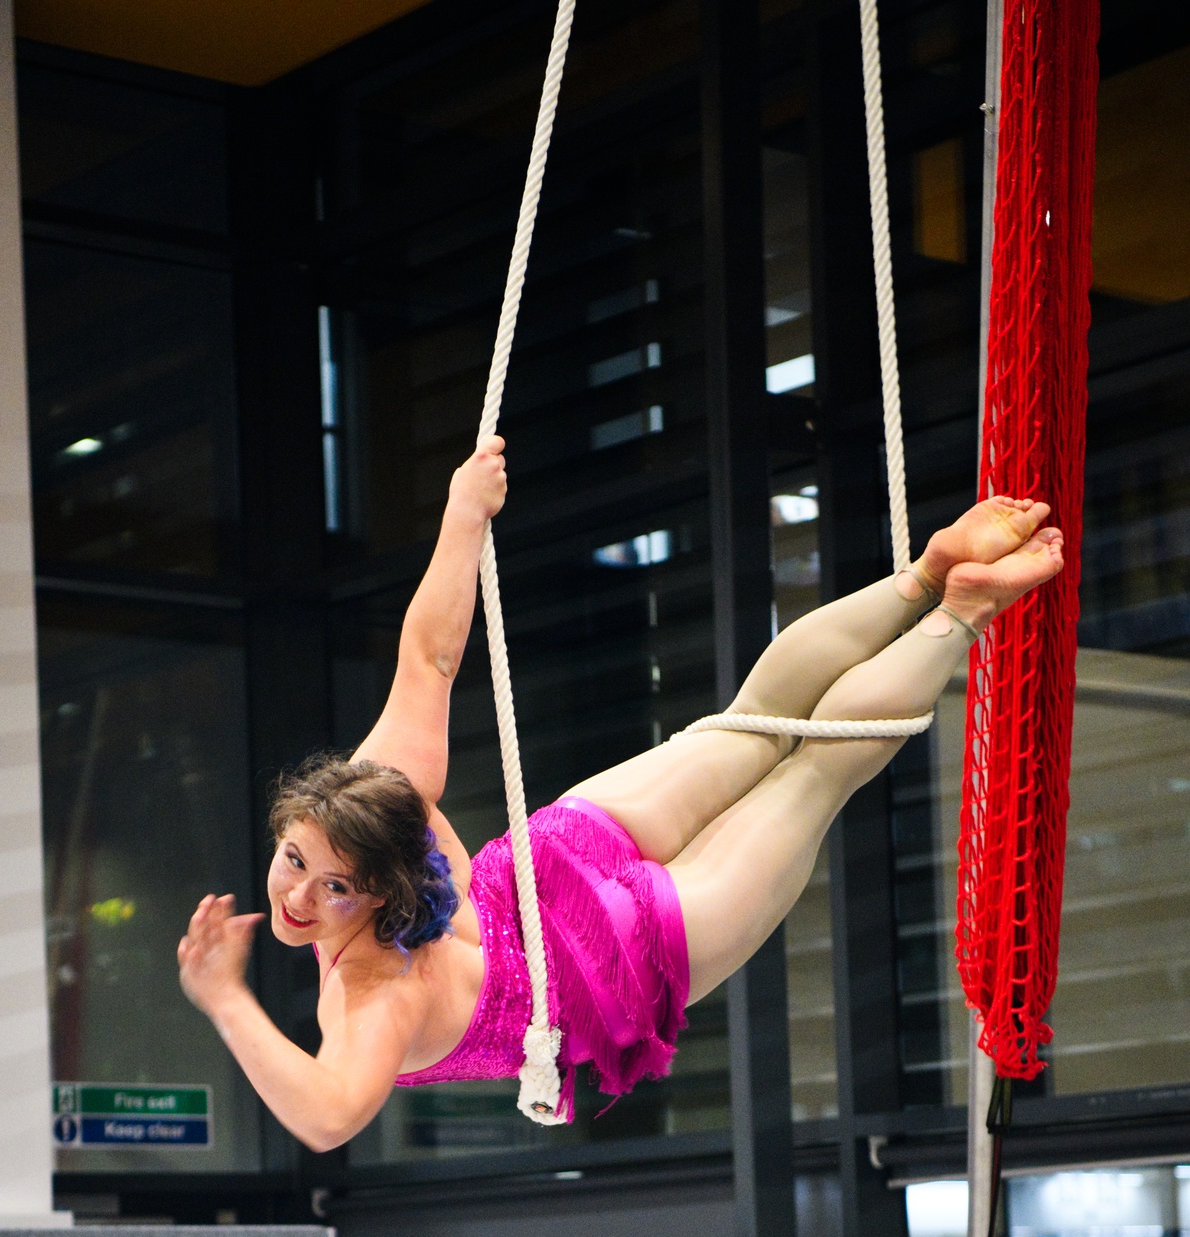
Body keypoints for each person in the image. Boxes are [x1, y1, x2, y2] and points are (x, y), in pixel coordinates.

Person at [177, 436, 1063, 1149]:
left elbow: (329, 1119)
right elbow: (429, 660)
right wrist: (460, 516)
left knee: (814, 773)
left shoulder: (374, 990)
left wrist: (224, 998)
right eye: (296, 863)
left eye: (329, 882)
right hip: (550, 863)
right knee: (756, 722)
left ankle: (958, 605)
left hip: (615, 956)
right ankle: (920, 576)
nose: (297, 897)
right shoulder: (379, 798)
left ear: (381, 888)